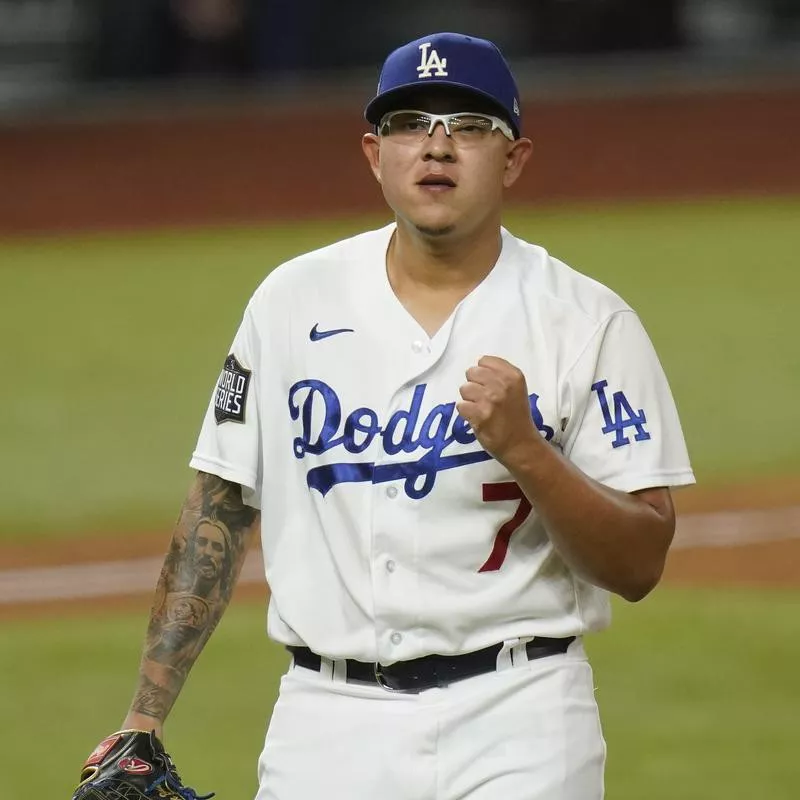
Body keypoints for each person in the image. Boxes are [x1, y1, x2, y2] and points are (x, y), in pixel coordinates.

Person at [87, 31, 696, 800]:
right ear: (375, 154)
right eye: (411, 124)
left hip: (523, 718)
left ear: (514, 160)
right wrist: (144, 719)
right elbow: (218, 509)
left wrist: (528, 451)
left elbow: (639, 565)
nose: (436, 148)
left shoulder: (587, 322)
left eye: (469, 127)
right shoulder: (290, 303)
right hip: (324, 725)